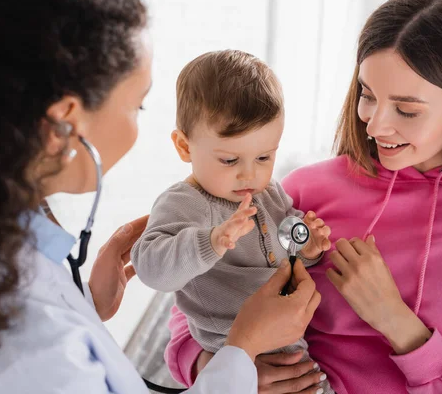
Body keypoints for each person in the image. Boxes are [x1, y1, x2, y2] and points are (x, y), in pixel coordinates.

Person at [0, 0, 323, 393]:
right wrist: (241, 349)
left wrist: (87, 303)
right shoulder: (29, 345)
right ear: (66, 122)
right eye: (137, 105)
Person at [165, 0, 442, 393]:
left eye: (407, 110)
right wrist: (224, 367)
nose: (375, 126)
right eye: (367, 95)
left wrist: (397, 323)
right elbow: (197, 299)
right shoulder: (299, 191)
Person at [131, 50, 333, 394]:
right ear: (184, 146)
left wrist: (309, 245)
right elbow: (151, 268)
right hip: (232, 351)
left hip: (290, 346)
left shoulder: (267, 192)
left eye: (264, 157)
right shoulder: (185, 204)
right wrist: (210, 243)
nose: (249, 174)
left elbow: (287, 242)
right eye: (229, 159)